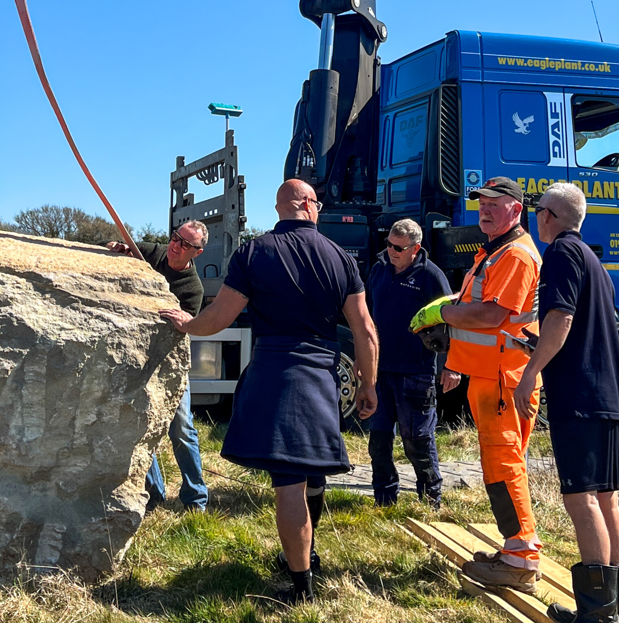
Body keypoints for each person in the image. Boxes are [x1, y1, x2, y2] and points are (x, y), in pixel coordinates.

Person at [160, 179, 378, 604]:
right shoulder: (340, 258)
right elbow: (365, 330)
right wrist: (368, 384)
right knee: (311, 472)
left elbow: (221, 315)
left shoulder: (254, 252)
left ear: (281, 208)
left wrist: (186, 324)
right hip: (323, 370)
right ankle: (306, 557)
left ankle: (301, 587)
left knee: (290, 481)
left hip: (276, 369)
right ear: (309, 205)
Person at [512, 183, 619, 623]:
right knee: (605, 499)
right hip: (609, 396)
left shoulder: (561, 254)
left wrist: (530, 374)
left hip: (580, 398)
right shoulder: (595, 262)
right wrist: (538, 349)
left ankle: (597, 617)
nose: (535, 217)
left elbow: (561, 318)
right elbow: (576, 329)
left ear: (550, 215)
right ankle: (612, 611)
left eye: (538, 210)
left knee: (581, 498)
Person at [411, 176, 543, 591]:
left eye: (495, 203)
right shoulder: (495, 252)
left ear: (516, 210)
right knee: (499, 466)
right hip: (492, 378)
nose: (484, 209)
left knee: (505, 467)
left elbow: (489, 316)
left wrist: (444, 314)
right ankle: (513, 550)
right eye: (481, 202)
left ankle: (521, 561)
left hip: (505, 380)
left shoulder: (516, 256)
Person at [107, 221, 209, 512]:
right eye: (175, 237)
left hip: (169, 364)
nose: (175, 245)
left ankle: (195, 498)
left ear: (197, 253)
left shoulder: (193, 289)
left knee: (182, 429)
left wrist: (185, 322)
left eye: (185, 244)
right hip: (136, 357)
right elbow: (111, 244)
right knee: (140, 424)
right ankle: (154, 493)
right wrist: (115, 247)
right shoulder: (151, 252)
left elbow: (187, 327)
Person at [365, 217, 451, 509]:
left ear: (415, 248)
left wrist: (451, 366)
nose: (392, 251)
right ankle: (384, 499)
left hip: (416, 371)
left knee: (417, 439)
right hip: (380, 370)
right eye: (389, 244)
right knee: (378, 440)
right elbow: (367, 316)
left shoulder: (431, 276)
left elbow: (451, 322)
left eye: (399, 248)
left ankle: (430, 500)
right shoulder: (378, 271)